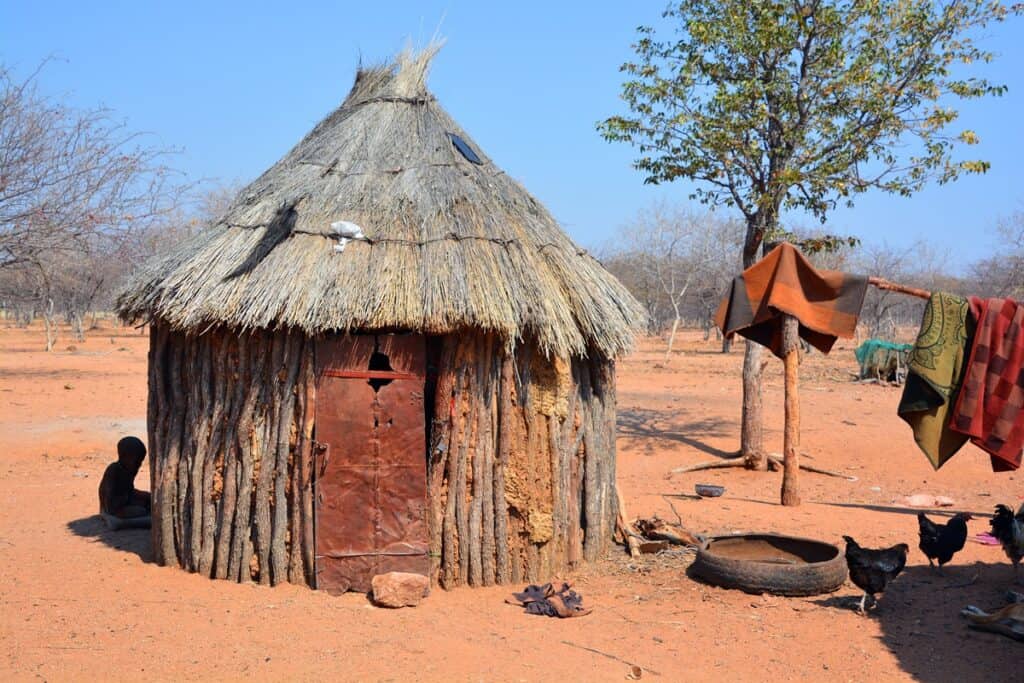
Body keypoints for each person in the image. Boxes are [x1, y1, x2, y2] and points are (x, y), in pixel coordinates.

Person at [98, 436, 151, 530]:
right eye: (137, 461)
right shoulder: (113, 470)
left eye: (141, 461)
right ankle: (115, 520)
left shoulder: (129, 470)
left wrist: (145, 495)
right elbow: (109, 497)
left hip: (125, 501)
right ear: (124, 457)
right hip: (113, 508)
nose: (139, 465)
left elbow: (129, 490)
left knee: (148, 502)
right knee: (141, 511)